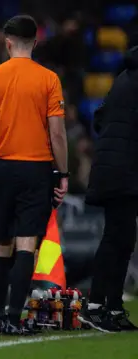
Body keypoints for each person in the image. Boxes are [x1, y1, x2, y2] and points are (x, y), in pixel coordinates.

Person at [0, 15, 68, 335]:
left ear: (8, 41)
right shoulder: (49, 79)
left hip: (2, 167)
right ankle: (16, 317)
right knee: (27, 245)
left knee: (1, 246)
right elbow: (57, 133)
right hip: (37, 169)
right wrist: (63, 172)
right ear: (35, 42)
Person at [78, 46, 138, 333]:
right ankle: (96, 306)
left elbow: (100, 118)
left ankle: (111, 306)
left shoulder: (124, 78)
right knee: (117, 238)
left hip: (116, 167)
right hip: (122, 170)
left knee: (122, 238)